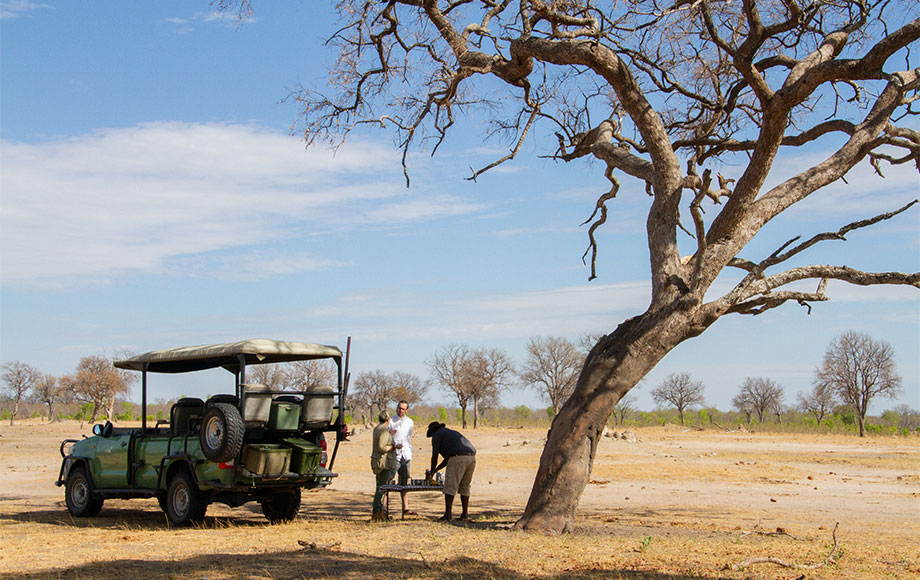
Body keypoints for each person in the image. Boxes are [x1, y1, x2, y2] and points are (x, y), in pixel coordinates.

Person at [426, 421, 476, 522]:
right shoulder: (450, 433)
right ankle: (464, 515)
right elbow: (447, 459)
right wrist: (436, 470)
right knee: (465, 486)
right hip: (471, 458)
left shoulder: (437, 435)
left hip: (458, 458)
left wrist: (431, 471)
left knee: (450, 486)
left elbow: (435, 455)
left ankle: (448, 515)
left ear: (433, 431)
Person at [370, 409, 399, 521]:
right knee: (381, 489)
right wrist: (393, 447)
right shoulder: (383, 430)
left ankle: (379, 513)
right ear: (388, 419)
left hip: (378, 462)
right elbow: (382, 447)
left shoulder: (378, 429)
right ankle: (377, 513)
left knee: (380, 487)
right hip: (384, 463)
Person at [388, 400, 416, 517]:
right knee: (388, 480)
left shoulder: (410, 422)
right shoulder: (391, 421)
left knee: (404, 482)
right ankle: (384, 507)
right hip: (394, 454)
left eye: (403, 409)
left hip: (406, 453)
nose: (401, 410)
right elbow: (386, 436)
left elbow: (408, 437)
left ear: (407, 410)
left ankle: (405, 507)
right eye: (399, 408)